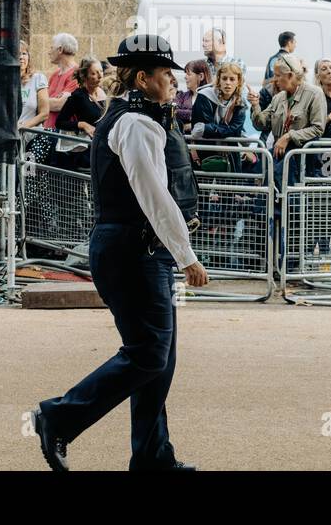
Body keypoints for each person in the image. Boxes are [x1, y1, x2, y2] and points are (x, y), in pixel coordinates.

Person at [32, 34, 207, 471]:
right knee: (149, 353)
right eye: (165, 73)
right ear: (143, 78)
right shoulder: (135, 122)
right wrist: (186, 255)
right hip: (135, 250)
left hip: (138, 249)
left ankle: (152, 459)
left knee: (157, 359)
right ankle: (58, 416)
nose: (172, 79)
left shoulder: (138, 116)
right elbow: (154, 195)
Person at [251, 53, 327, 182]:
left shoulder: (314, 94)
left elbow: (318, 128)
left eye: (278, 75)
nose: (274, 79)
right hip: (280, 158)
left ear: (290, 75)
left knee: (294, 200)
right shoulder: (278, 98)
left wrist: (289, 136)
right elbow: (261, 124)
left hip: (302, 162)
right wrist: (255, 105)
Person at [190, 61, 250, 170]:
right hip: (206, 152)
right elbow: (200, 129)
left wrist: (209, 129)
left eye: (232, 79)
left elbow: (235, 131)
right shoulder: (204, 96)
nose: (228, 83)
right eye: (224, 78)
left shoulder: (240, 102)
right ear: (218, 79)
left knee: (231, 184)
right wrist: (219, 130)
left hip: (230, 154)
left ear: (238, 82)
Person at [53, 58, 108, 169]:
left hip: (107, 147)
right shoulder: (78, 96)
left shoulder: (107, 92)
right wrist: (82, 124)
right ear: (84, 76)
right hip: (89, 152)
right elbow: (59, 122)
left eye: (101, 71)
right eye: (94, 73)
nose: (100, 76)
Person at [43, 32, 80, 130]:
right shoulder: (54, 75)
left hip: (64, 136)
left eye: (51, 48)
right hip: (48, 132)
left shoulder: (77, 74)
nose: (49, 52)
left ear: (60, 49)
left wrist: (38, 101)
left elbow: (59, 105)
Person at [18, 40, 49, 130]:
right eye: (17, 53)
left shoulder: (38, 79)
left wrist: (23, 127)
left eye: (24, 53)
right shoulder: (5, 81)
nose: (21, 57)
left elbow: (44, 114)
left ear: (29, 57)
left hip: (30, 134)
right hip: (9, 136)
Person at [175, 60, 211, 134]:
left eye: (189, 74)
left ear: (201, 76)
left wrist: (191, 124)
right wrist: (197, 116)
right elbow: (174, 111)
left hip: (205, 144)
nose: (185, 77)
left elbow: (213, 120)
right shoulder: (181, 96)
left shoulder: (211, 98)